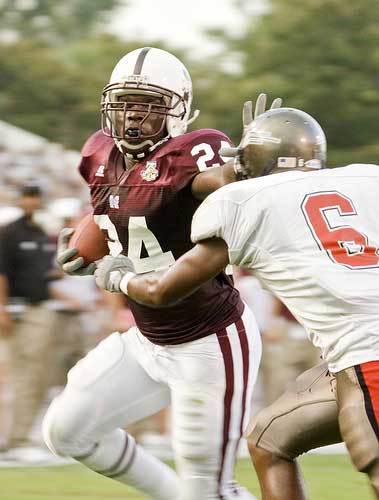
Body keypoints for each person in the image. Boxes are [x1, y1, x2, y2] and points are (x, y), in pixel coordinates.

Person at [94, 107, 379, 498]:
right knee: (269, 440)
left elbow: (162, 292)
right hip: (350, 361)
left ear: (250, 163)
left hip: (369, 358)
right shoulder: (366, 179)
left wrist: (121, 276)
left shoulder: (245, 202)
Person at [43, 47, 281, 500]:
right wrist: (84, 243)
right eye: (125, 103)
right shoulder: (98, 153)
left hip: (208, 341)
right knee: (65, 431)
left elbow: (220, 182)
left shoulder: (193, 153)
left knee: (209, 489)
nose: (133, 117)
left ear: (178, 111)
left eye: (149, 106)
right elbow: (113, 210)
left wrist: (250, 168)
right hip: (148, 339)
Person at [0, 183, 58, 457]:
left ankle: (20, 436)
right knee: (20, 374)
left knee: (37, 376)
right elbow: (1, 274)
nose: (31, 202)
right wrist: (1, 309)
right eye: (27, 197)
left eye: (35, 197)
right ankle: (15, 440)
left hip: (42, 308)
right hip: (18, 311)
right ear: (19, 200)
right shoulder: (8, 233)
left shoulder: (41, 233)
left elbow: (45, 271)